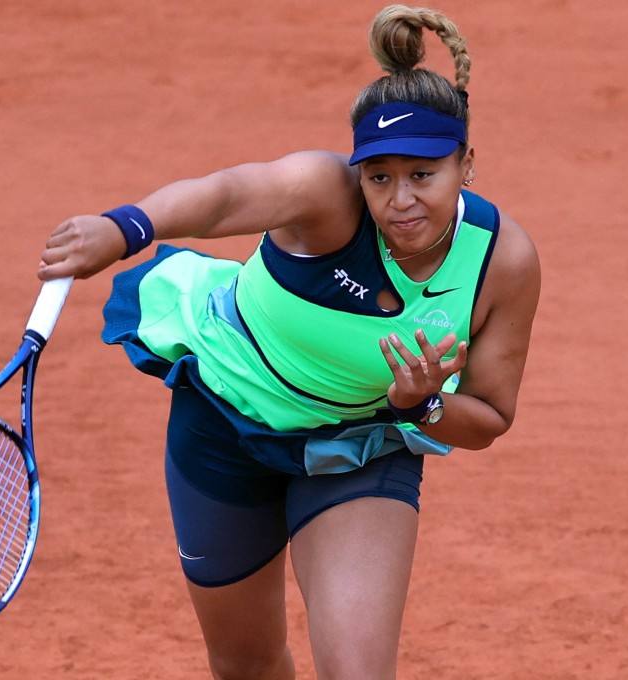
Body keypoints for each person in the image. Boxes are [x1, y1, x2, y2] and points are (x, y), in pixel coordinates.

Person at [38, 4, 540, 679]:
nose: (400, 200)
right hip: (223, 426)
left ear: (466, 165)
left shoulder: (501, 263)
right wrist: (125, 227)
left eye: (424, 175)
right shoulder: (324, 195)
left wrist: (421, 406)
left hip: (358, 444)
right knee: (244, 665)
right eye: (379, 176)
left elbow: (490, 418)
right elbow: (224, 197)